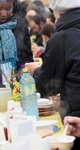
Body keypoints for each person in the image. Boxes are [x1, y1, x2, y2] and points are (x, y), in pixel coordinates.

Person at [25, 1, 80, 149]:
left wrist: (36, 70)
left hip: (76, 119)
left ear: (57, 13)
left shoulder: (62, 37)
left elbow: (46, 85)